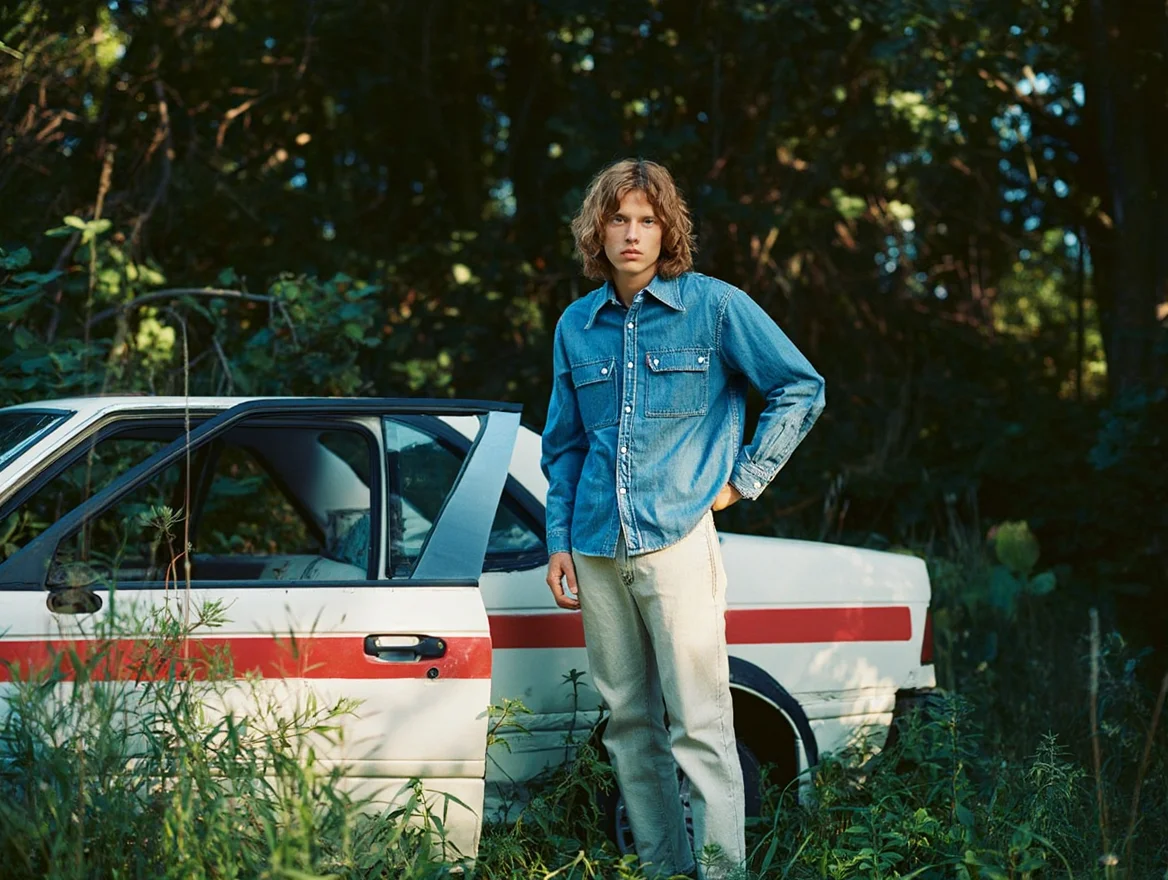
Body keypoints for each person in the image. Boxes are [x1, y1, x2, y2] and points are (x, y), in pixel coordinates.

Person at [540, 158, 825, 880]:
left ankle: (722, 874)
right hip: (596, 546)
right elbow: (567, 443)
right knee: (629, 727)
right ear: (596, 230)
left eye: (646, 220)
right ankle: (663, 870)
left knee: (699, 725)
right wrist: (559, 541)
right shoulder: (577, 326)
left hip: (676, 543)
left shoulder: (715, 307)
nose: (631, 233)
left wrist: (743, 481)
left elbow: (801, 387)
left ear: (666, 230)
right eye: (618, 219)